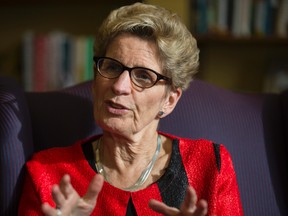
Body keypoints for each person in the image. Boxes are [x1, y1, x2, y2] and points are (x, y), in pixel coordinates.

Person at [19, 2, 243, 216]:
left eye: (143, 76)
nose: (119, 86)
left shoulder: (210, 165)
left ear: (170, 100)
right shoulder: (47, 173)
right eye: (112, 67)